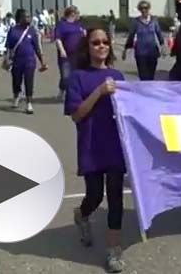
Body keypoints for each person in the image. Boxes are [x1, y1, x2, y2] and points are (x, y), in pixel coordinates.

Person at [64, 28, 126, 273]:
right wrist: (99, 92)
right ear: (87, 47)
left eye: (105, 42)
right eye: (95, 42)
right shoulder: (78, 77)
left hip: (115, 145)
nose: (101, 46)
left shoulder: (117, 74)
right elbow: (77, 114)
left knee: (115, 196)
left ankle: (113, 250)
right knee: (95, 195)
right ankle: (82, 214)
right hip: (91, 144)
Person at [3, 9, 48, 114]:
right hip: (16, 61)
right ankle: (16, 95)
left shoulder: (32, 31)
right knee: (16, 80)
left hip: (29, 61)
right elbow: (8, 47)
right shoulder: (13, 30)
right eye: (26, 17)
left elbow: (37, 47)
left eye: (29, 16)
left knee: (29, 81)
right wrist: (6, 59)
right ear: (20, 18)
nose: (29, 18)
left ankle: (28, 103)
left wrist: (42, 62)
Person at [122, 0, 165, 80]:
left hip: (152, 51)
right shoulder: (136, 21)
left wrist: (163, 46)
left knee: (151, 75)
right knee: (143, 76)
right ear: (139, 10)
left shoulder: (154, 20)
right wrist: (125, 50)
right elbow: (131, 36)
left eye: (146, 8)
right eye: (142, 8)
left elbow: (159, 33)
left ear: (149, 9)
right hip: (140, 52)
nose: (144, 10)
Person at [54, 5, 86, 100]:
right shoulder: (62, 25)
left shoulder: (79, 24)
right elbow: (58, 39)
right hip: (66, 54)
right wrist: (62, 50)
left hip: (78, 54)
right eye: (77, 13)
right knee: (66, 75)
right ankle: (62, 90)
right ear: (72, 14)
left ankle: (72, 94)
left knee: (77, 75)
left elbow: (84, 35)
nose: (79, 15)